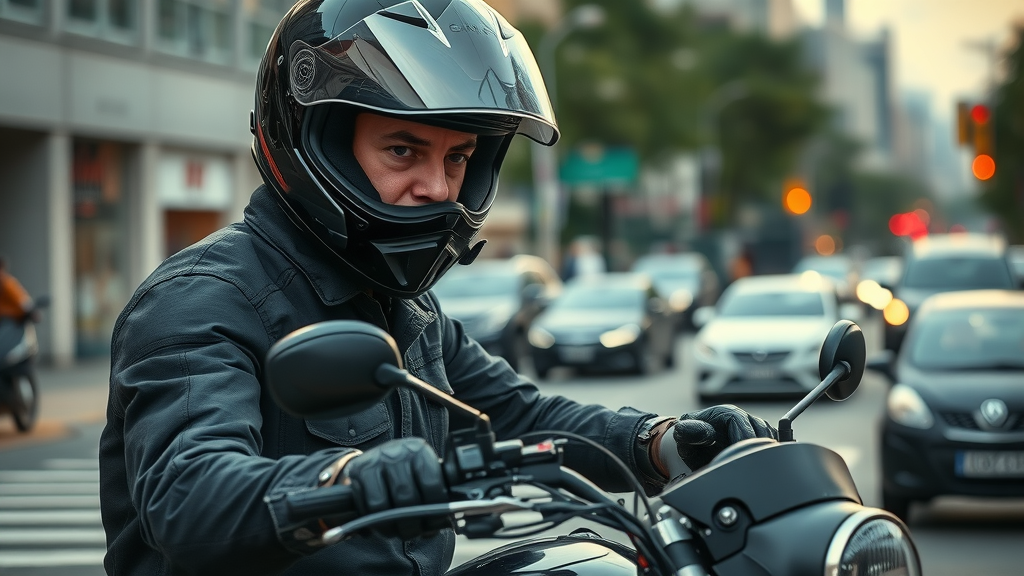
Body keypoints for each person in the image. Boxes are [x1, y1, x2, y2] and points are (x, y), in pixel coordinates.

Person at [98, 1, 777, 575]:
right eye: (404, 150)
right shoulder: (200, 300)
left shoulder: (401, 305)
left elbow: (513, 415)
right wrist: (344, 480)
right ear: (317, 144)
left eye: (457, 158)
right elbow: (188, 494)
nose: (438, 189)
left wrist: (659, 441)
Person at [0, 257, 37, 323]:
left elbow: (23, 301)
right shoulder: (7, 283)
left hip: (11, 323)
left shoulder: (7, 283)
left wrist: (32, 312)